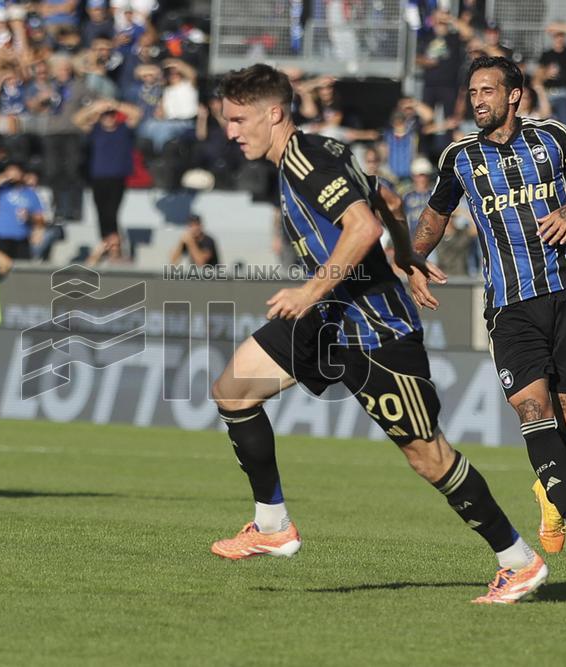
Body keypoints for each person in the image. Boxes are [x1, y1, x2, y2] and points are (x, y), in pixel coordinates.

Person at [212, 64, 547, 604]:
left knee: (428, 456)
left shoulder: (305, 161)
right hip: (329, 322)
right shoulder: (322, 150)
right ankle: (272, 523)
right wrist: (409, 252)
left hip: (375, 332)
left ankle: (519, 560)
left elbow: (363, 224)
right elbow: (387, 200)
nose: (230, 131)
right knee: (233, 391)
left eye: (237, 119)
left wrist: (309, 292)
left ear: (273, 113)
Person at [409, 56, 566, 557]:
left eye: (487, 91)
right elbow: (436, 214)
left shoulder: (554, 137)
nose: (477, 100)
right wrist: (413, 260)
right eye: (472, 92)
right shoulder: (459, 156)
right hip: (509, 305)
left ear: (513, 95)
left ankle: (549, 496)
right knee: (532, 408)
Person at [74, 98, 143, 263]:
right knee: (101, 214)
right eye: (106, 115)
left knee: (112, 213)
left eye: (111, 115)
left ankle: (116, 248)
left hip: (117, 178)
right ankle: (108, 245)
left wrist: (116, 105)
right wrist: (95, 107)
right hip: (98, 178)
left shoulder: (123, 129)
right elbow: (77, 120)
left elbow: (137, 114)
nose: (109, 117)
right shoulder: (95, 130)